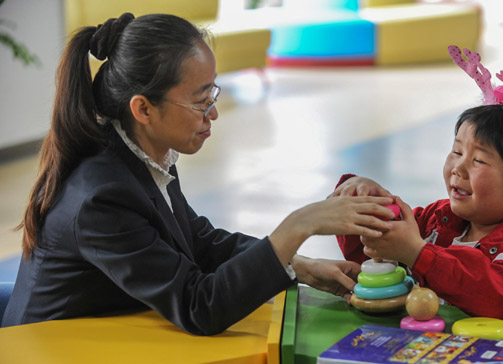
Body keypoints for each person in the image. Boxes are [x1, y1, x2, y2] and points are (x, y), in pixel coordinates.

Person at [1, 13, 398, 334]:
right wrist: (297, 226)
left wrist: (299, 264)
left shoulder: (138, 153)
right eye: (200, 100)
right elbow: (199, 307)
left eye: (213, 95)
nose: (213, 113)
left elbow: (198, 242)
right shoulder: (101, 196)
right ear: (143, 109)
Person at [330, 46, 503, 325]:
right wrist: (365, 206)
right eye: (457, 152)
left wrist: (418, 254)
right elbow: (378, 263)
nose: (458, 168)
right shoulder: (438, 221)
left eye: (479, 160)